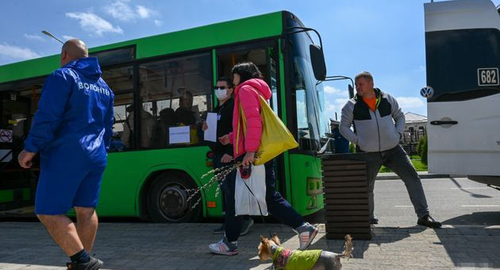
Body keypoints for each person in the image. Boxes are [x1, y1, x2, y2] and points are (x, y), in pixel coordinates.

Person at [17, 39, 114, 270]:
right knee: (86, 209)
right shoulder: (104, 87)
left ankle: (82, 260)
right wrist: (103, 150)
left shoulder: (62, 76)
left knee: (47, 211)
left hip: (67, 153)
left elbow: (48, 116)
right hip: (96, 155)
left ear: (64, 55)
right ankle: (81, 263)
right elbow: (108, 126)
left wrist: (31, 148)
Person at [209, 62, 318, 256]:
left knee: (244, 197)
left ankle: (230, 242)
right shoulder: (258, 90)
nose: (233, 80)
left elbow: (254, 122)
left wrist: (249, 151)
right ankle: (302, 227)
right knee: (264, 196)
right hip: (257, 152)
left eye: (234, 76)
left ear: (241, 75)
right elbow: (251, 124)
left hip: (252, 155)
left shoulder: (245, 90)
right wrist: (232, 138)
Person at [339, 71, 441, 228]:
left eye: (361, 84)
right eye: (356, 84)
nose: (357, 87)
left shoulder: (387, 99)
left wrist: (398, 133)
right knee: (366, 186)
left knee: (413, 178)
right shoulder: (351, 105)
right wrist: (358, 141)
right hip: (368, 153)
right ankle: (369, 218)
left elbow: (400, 116)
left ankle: (423, 216)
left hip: (394, 149)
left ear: (371, 83)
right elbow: (343, 128)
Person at [202, 77, 254, 236]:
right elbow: (210, 135)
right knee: (226, 191)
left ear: (231, 89)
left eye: (222, 87)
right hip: (217, 155)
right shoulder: (216, 110)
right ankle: (229, 223)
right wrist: (203, 129)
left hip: (230, 156)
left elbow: (240, 132)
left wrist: (231, 153)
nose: (219, 90)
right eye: (217, 87)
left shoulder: (234, 107)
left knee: (233, 191)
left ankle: (244, 220)